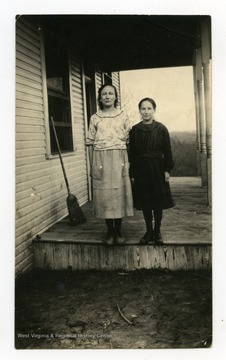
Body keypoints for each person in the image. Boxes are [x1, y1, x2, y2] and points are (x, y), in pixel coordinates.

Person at [86, 84, 134, 245]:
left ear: (115, 97)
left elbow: (128, 143)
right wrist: (92, 165)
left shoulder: (123, 115)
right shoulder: (95, 118)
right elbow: (90, 143)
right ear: (100, 97)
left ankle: (118, 231)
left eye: (110, 93)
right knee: (105, 195)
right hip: (100, 158)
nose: (107, 96)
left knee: (118, 194)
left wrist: (128, 163)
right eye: (104, 94)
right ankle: (109, 231)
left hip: (120, 156)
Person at [129, 97, 174, 245]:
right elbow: (132, 154)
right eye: (143, 108)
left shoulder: (161, 128)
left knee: (158, 202)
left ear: (154, 110)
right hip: (141, 170)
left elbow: (168, 151)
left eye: (149, 108)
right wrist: (133, 174)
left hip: (157, 168)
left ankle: (157, 231)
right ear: (139, 111)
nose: (146, 112)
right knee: (146, 201)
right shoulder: (135, 130)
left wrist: (167, 169)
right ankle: (149, 231)